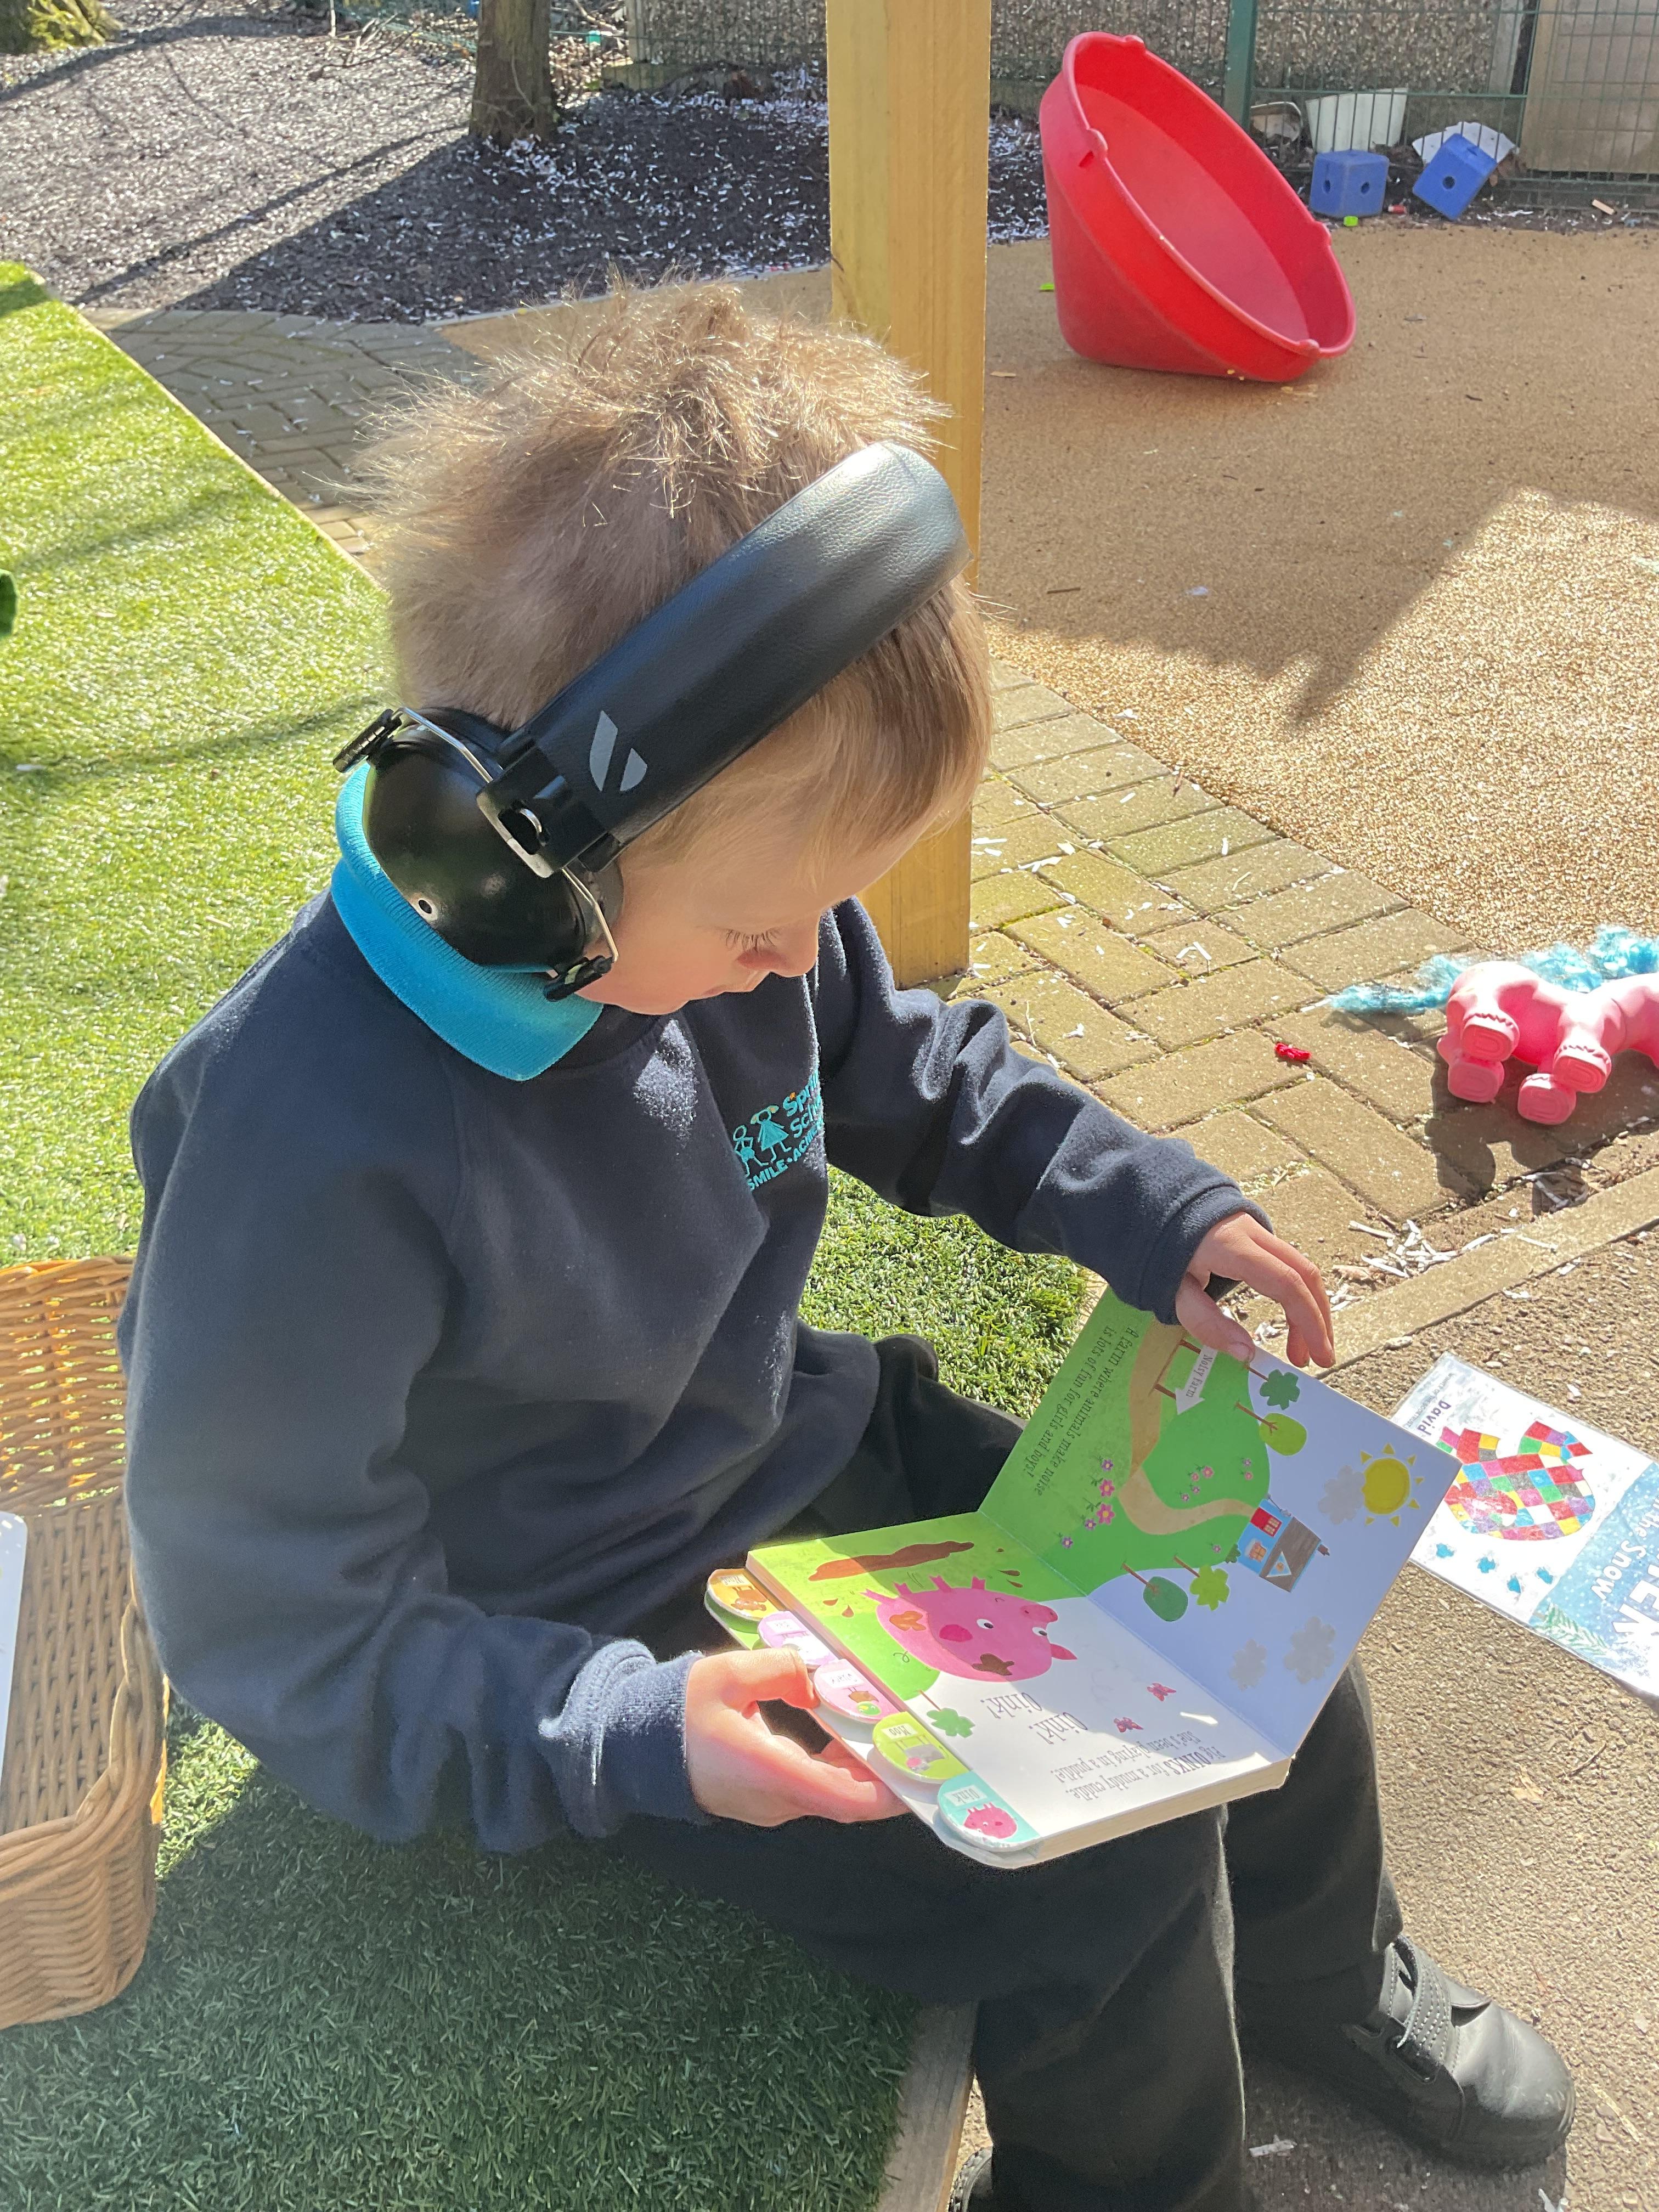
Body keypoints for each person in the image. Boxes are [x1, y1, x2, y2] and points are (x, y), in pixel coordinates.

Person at [117, 287, 1572, 2212]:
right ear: (522, 863)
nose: (800, 965)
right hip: (596, 1626)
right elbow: (270, 1623)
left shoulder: (727, 910)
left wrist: (1141, 1205)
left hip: (810, 1461)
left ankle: (1323, 1977)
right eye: (759, 931)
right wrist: (633, 1731)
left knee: (1249, 1617)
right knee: (1111, 1875)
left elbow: (911, 1068)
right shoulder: (308, 1141)